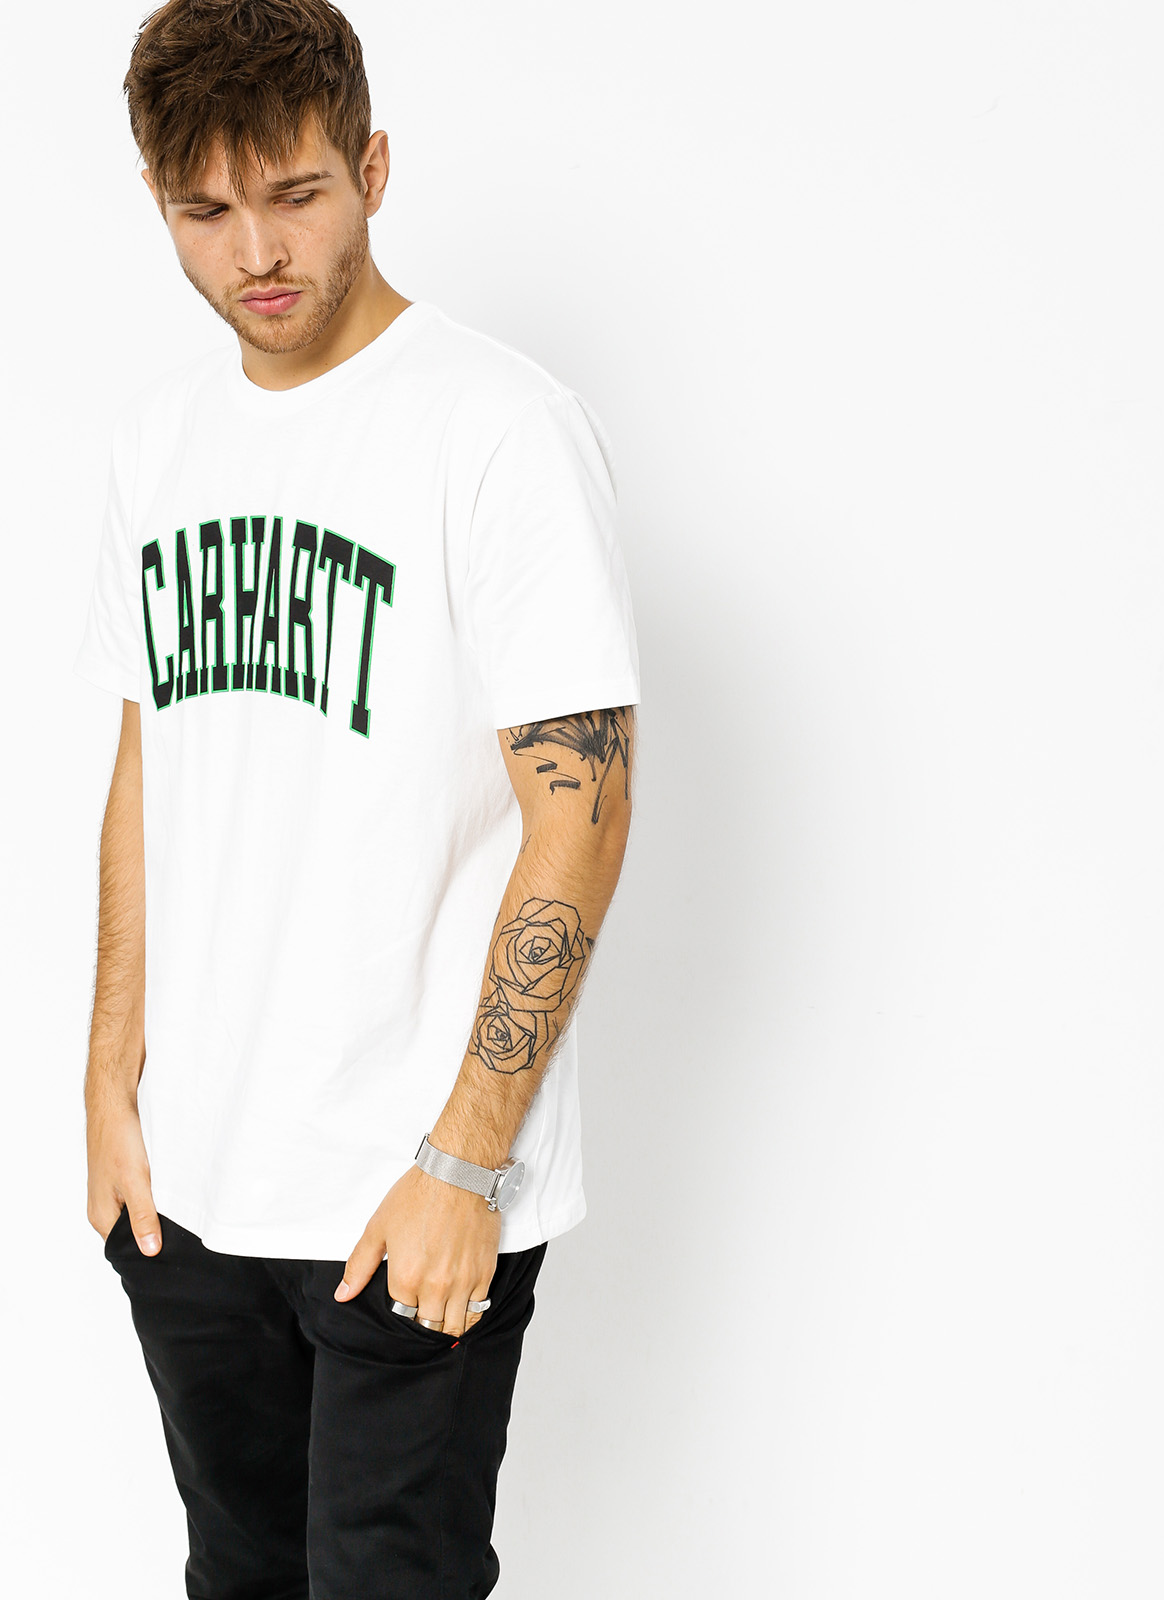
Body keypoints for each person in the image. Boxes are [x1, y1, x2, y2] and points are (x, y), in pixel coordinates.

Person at [72, 2, 640, 1594]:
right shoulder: (160, 446)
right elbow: (150, 762)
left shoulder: (497, 428)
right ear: (158, 202)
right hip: (191, 1191)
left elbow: (583, 809)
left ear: (372, 169)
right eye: (205, 210)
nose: (257, 251)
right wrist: (108, 1080)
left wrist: (466, 1161)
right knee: (236, 1576)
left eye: (297, 194)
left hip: (411, 1188)